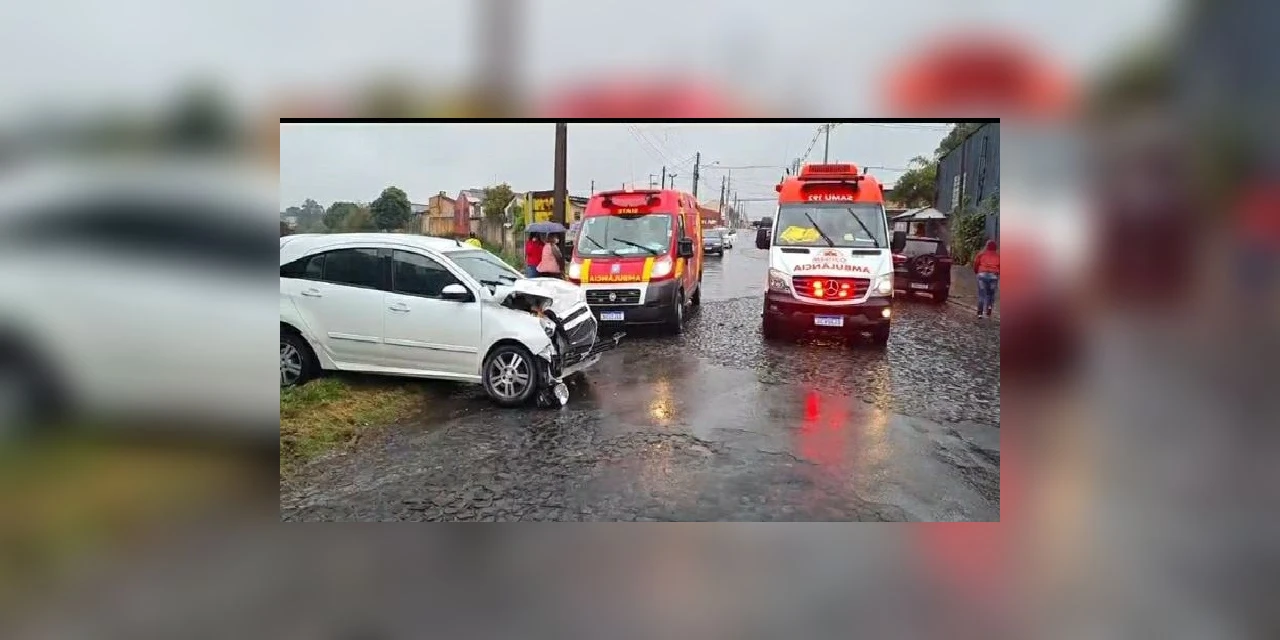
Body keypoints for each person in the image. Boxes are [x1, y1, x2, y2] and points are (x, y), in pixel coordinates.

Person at [973, 239, 1000, 318]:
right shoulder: (998, 256)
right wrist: (997, 273)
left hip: (982, 275)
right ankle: (989, 310)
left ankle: (980, 313)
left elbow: (976, 263)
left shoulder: (981, 254)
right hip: (993, 276)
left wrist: (976, 272)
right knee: (990, 295)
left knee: (981, 295)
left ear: (986, 246)